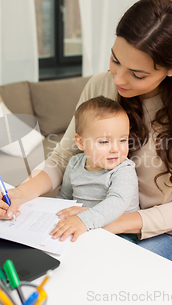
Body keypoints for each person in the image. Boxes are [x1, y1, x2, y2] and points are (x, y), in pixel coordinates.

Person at [0, 0, 172, 270]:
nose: (118, 78)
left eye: (137, 74)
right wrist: (19, 194)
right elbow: (65, 156)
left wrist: (105, 222)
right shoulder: (102, 84)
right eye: (115, 59)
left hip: (169, 234)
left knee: (108, 276)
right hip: (98, 219)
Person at [50, 96, 140, 242]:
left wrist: (83, 221)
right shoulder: (74, 163)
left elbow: (116, 203)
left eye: (123, 140)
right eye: (104, 141)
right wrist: (55, 217)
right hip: (82, 227)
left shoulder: (124, 169)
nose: (116, 149)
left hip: (120, 234)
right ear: (81, 142)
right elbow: (64, 197)